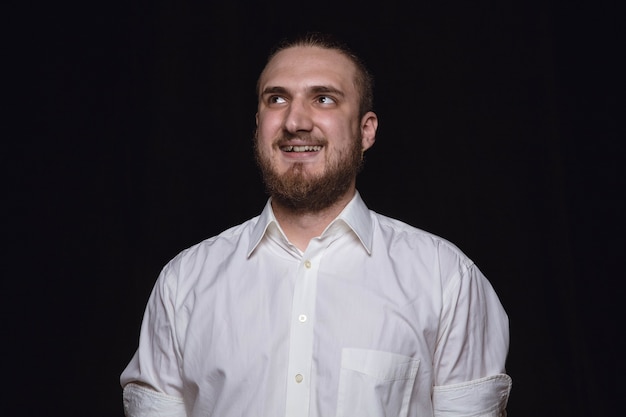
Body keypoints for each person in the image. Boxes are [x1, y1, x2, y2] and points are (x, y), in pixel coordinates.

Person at [120, 32, 512, 417]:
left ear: (366, 130)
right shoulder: (183, 283)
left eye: (323, 99)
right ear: (258, 126)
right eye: (277, 99)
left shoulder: (445, 279)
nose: (295, 121)